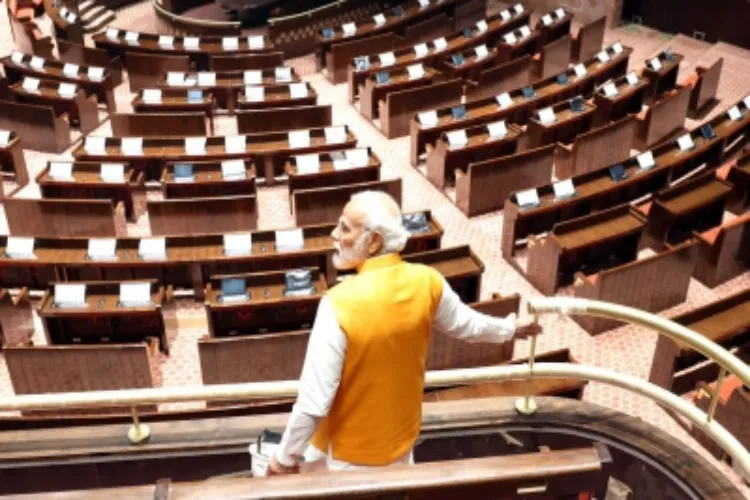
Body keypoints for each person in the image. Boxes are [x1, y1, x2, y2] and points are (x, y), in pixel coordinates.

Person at [267, 191, 542, 475]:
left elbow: (313, 403)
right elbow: (467, 325)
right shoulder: (427, 280)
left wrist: (284, 459)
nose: (334, 234)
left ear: (373, 242)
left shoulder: (337, 303)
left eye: (345, 228)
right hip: (402, 443)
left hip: (349, 455)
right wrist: (509, 329)